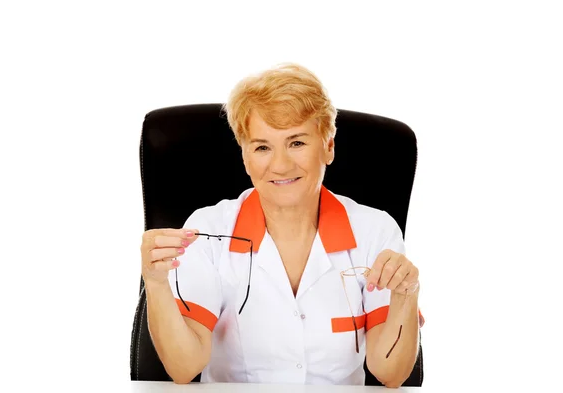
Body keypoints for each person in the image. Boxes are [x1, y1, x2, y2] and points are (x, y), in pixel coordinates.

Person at [140, 63, 424, 387]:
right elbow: (183, 368)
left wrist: (407, 294)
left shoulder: (375, 232)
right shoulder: (207, 231)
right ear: (245, 157)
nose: (280, 164)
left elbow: (390, 374)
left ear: (328, 146)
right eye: (262, 147)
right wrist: (157, 283)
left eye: (297, 143)